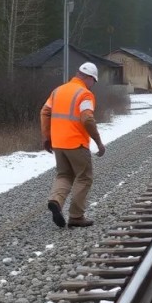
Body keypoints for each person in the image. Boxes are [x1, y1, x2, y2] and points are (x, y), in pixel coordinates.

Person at [40, 62, 107, 228]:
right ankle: (76, 216)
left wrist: (47, 137)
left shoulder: (58, 91)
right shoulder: (85, 94)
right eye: (94, 81)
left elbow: (45, 112)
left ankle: (56, 200)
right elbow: (87, 118)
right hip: (76, 143)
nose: (93, 85)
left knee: (64, 175)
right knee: (84, 177)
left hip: (58, 143)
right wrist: (98, 142)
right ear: (90, 78)